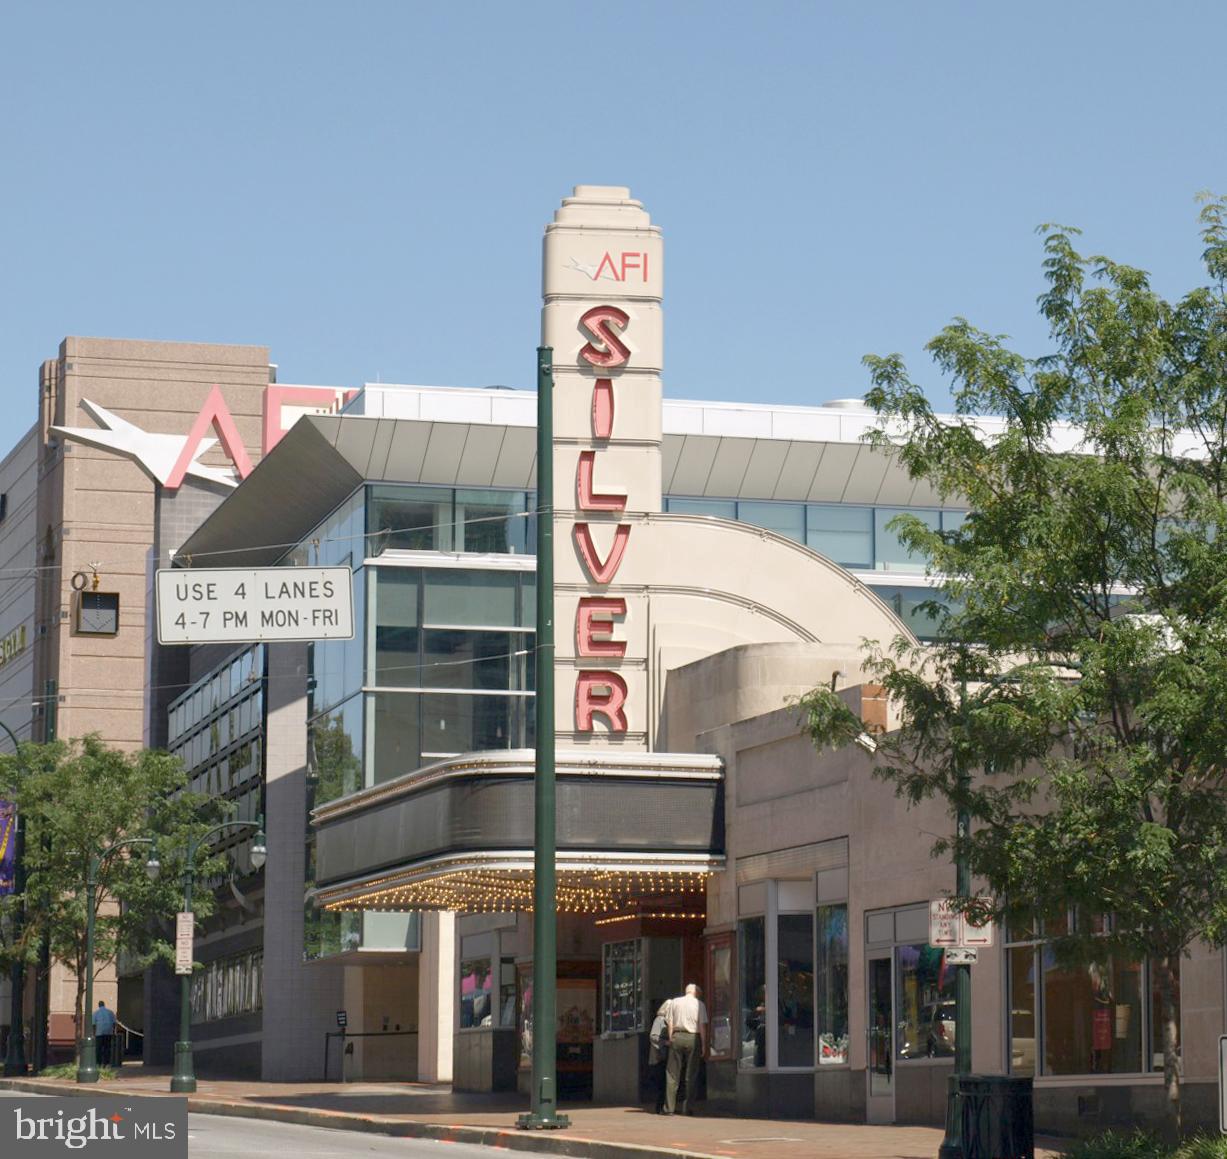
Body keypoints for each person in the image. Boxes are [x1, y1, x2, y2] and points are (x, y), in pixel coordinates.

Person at [664, 983, 708, 1116]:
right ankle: (687, 1108)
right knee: (691, 1074)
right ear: (696, 993)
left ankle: (669, 1108)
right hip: (693, 1037)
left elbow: (670, 1022)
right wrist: (704, 1044)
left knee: (672, 1073)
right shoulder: (700, 1004)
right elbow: (702, 1026)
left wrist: (671, 1037)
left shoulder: (675, 1002)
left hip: (677, 1036)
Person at [647, 999, 672, 1113]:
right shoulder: (660, 1020)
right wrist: (665, 1042)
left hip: (664, 1055)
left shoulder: (668, 1020)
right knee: (661, 1082)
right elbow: (653, 1036)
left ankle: (663, 1106)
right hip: (659, 1056)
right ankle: (659, 1107)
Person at [93, 1000, 117, 1067]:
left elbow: (94, 1024)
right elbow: (114, 1023)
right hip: (108, 1033)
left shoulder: (96, 1013)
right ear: (104, 1005)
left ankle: (99, 1063)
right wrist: (113, 1031)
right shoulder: (110, 1012)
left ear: (99, 1005)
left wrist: (94, 1033)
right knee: (107, 1048)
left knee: (99, 1049)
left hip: (99, 1033)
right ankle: (106, 1063)